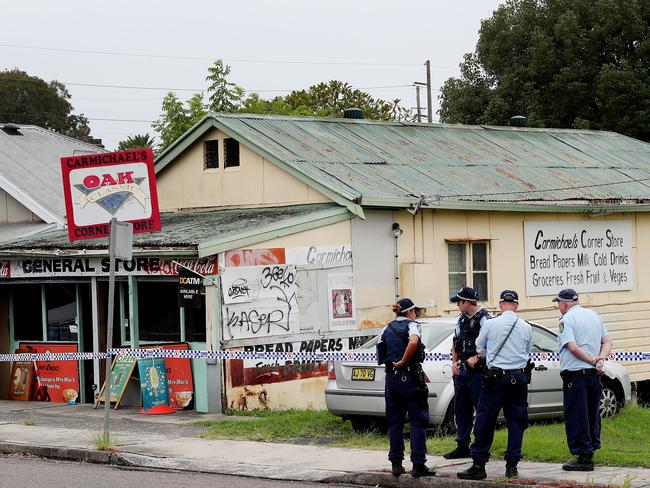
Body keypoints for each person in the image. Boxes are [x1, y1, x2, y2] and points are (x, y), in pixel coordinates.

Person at [458, 290, 532, 480]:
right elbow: (526, 351)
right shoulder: (526, 326)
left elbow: (480, 348)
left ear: (500, 305)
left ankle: (479, 465)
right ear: (516, 305)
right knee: (516, 422)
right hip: (519, 378)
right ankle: (512, 466)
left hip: (495, 379)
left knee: (485, 420)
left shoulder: (490, 324)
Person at [553, 288, 612, 472]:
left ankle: (584, 457)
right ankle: (590, 448)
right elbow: (607, 341)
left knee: (577, 415)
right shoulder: (593, 315)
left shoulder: (566, 319)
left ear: (564, 303)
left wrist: (592, 360)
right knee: (591, 414)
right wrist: (600, 359)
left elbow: (571, 347)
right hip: (594, 376)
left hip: (576, 376)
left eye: (558, 303)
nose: (558, 307)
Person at [376, 297, 436, 478]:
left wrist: (392, 363)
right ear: (410, 312)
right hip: (410, 378)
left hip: (391, 380)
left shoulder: (387, 327)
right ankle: (418, 465)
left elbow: (380, 348)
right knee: (418, 421)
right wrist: (403, 361)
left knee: (395, 423)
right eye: (414, 311)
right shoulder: (413, 326)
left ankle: (396, 464)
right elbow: (413, 342)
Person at [444, 286, 492, 459]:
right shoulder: (461, 319)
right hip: (462, 371)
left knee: (481, 411)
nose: (457, 305)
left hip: (478, 372)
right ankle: (462, 445)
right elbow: (455, 341)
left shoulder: (485, 319)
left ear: (466, 302)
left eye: (458, 302)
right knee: (461, 410)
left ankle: (480, 447)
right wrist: (454, 362)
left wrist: (478, 358)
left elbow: (492, 343)